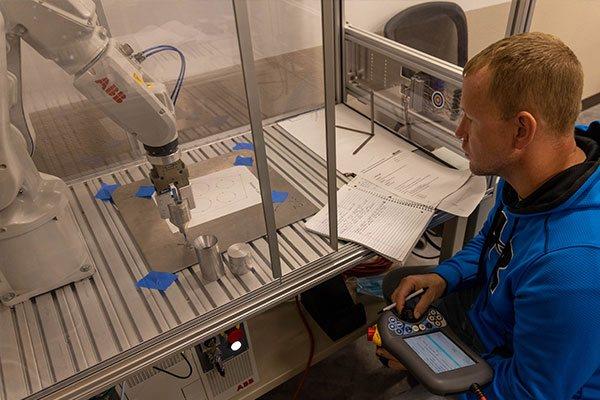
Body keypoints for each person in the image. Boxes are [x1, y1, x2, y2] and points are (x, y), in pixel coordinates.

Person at [379, 32, 600, 399]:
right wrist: (445, 277)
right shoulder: (539, 167)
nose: (459, 132)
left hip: (520, 375)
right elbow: (493, 242)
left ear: (521, 130)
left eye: (471, 119)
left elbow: (527, 393)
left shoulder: (571, 269)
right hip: (495, 321)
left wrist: (430, 366)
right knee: (400, 287)